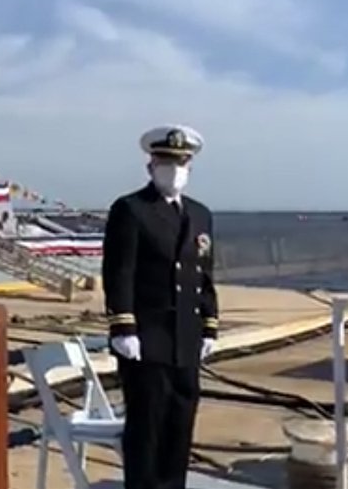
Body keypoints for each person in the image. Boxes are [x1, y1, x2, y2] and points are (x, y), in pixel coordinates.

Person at [102, 124, 219, 489]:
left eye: (181, 164)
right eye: (166, 163)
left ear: (190, 168)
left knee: (180, 421)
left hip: (186, 336)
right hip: (147, 338)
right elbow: (119, 271)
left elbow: (204, 274)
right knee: (147, 425)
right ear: (151, 167)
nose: (174, 171)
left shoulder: (200, 215)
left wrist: (210, 324)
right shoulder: (132, 210)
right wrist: (123, 326)